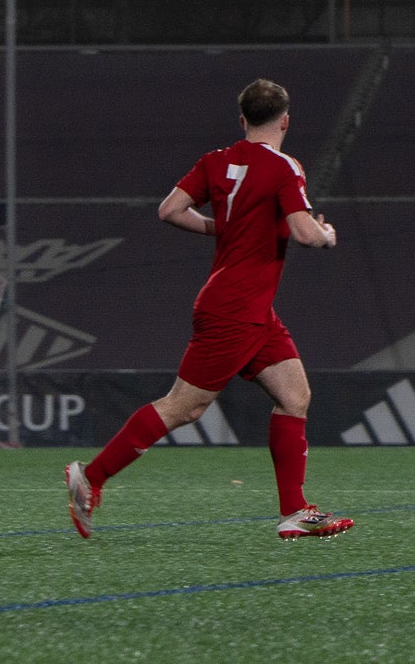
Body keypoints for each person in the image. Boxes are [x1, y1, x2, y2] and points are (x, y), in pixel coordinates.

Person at [65, 79, 352, 541]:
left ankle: (296, 510)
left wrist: (224, 229)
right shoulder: (284, 166)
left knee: (295, 396)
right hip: (235, 308)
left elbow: (169, 210)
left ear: (242, 120)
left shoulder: (216, 161)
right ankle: (90, 478)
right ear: (285, 120)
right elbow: (303, 232)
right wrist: (326, 235)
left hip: (251, 308)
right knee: (184, 407)